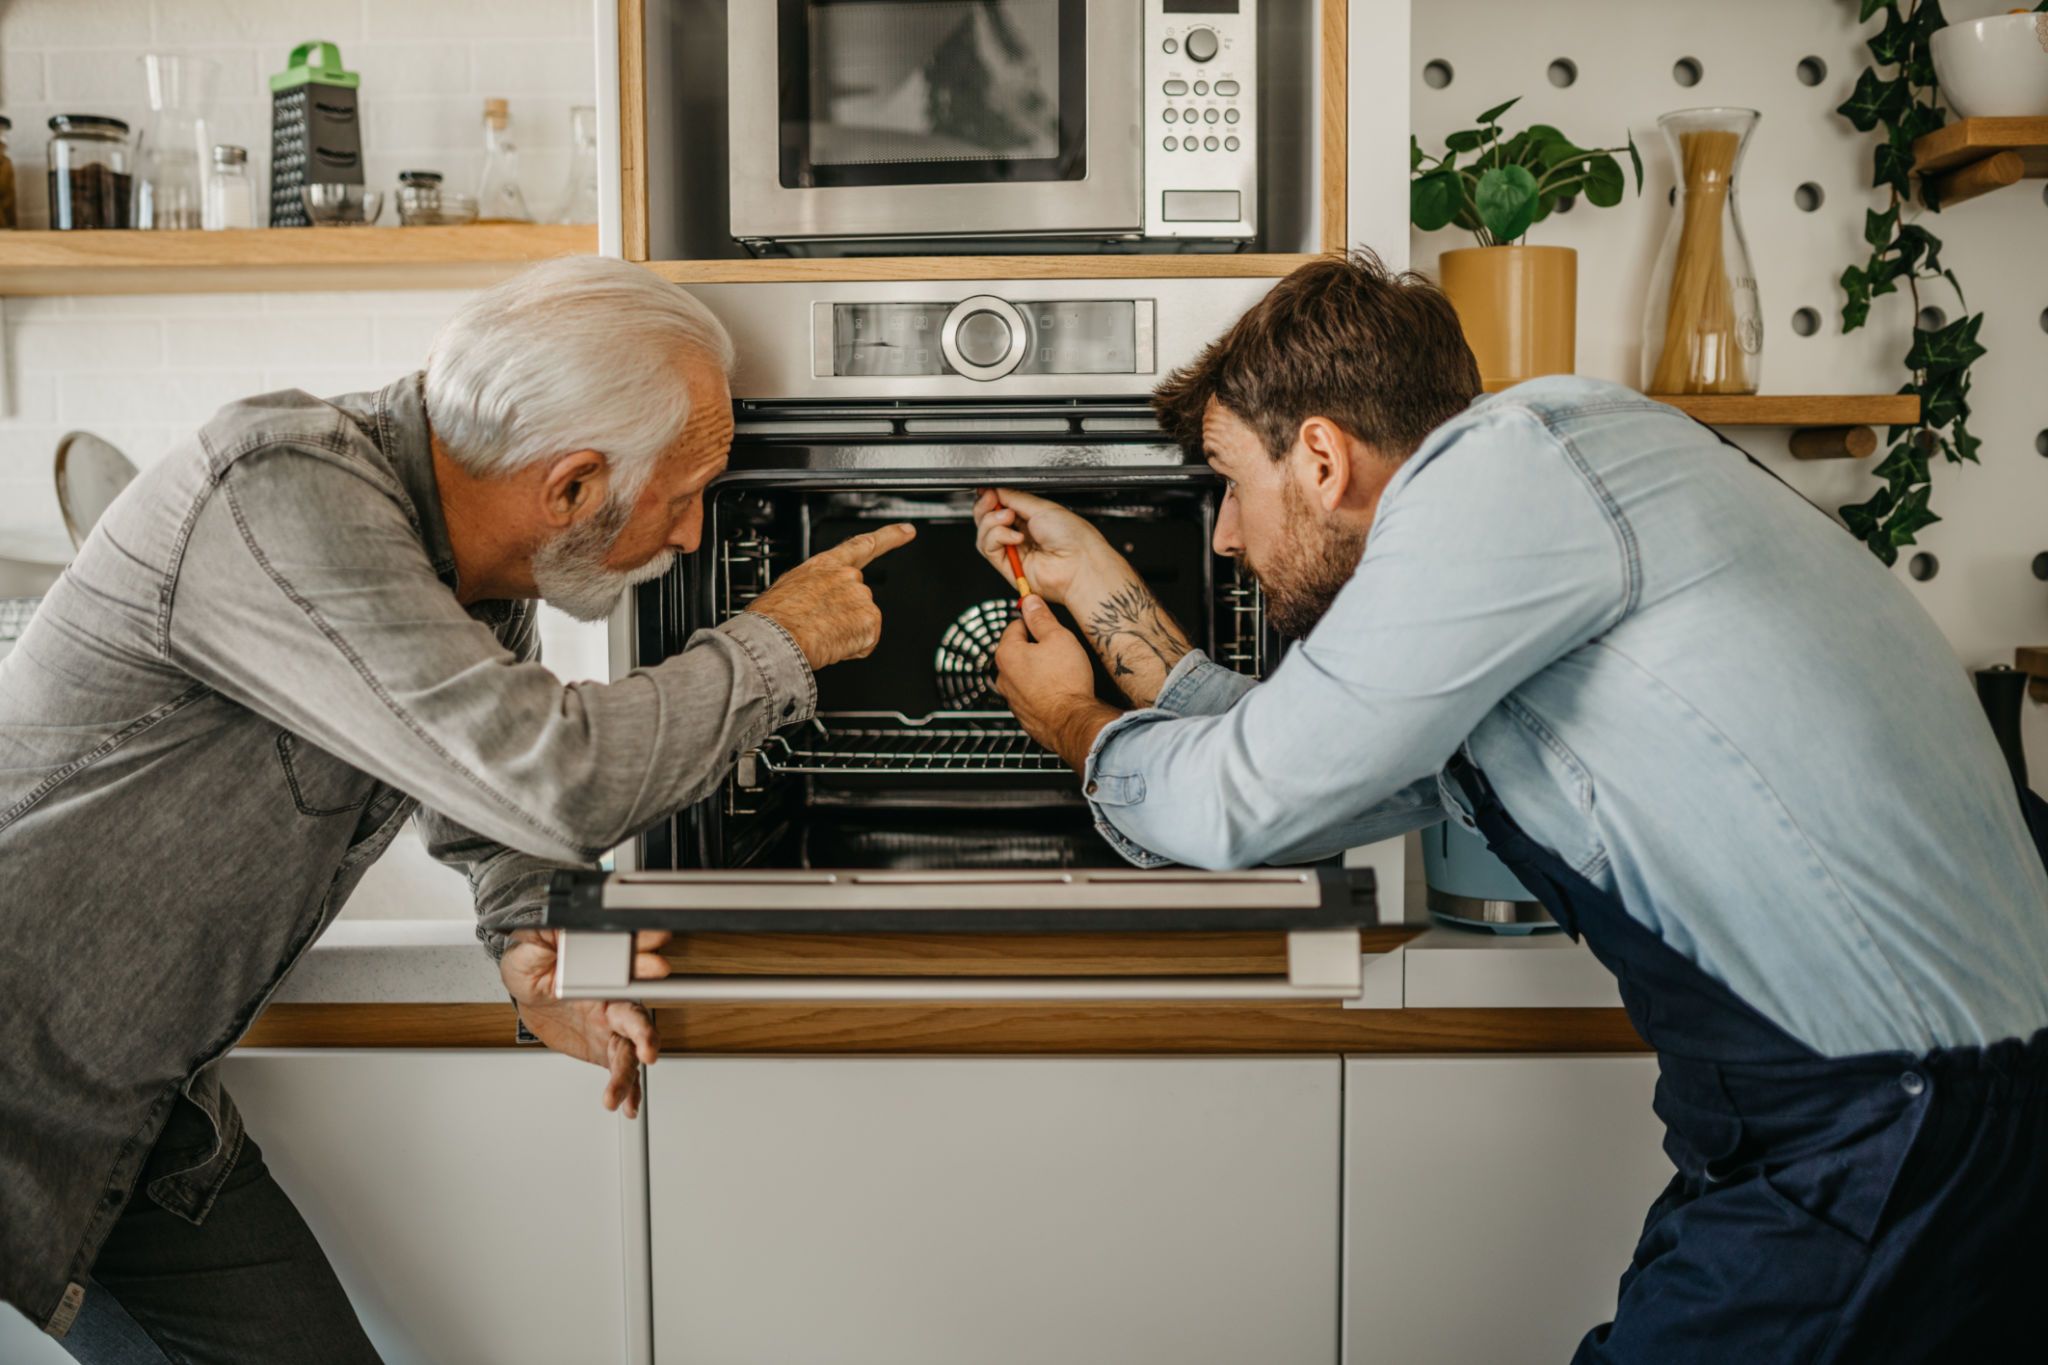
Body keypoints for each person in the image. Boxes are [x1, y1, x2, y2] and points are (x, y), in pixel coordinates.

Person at [977, 250, 2048, 1362]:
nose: (1225, 536)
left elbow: (1239, 803)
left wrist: (1068, 724)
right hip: (1888, 1118)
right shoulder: (1543, 495)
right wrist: (1099, 592)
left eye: (1228, 485)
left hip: (1890, 1126)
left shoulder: (1505, 472)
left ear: (1320, 456)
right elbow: (1312, 765)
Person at [0, 256, 914, 1360]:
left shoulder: (468, 570)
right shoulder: (281, 486)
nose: (688, 539)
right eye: (683, 501)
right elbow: (556, 775)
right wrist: (782, 639)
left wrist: (527, 941)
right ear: (571, 486)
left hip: (132, 1112)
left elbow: (484, 790)